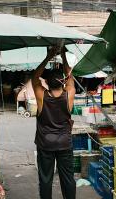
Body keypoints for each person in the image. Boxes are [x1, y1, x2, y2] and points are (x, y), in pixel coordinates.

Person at [32, 46, 76, 199]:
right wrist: (63, 55)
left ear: (47, 84)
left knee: (45, 179)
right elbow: (70, 76)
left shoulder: (41, 96)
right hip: (64, 143)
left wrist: (48, 57)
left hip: (45, 144)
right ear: (62, 83)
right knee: (68, 178)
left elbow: (34, 77)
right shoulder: (69, 94)